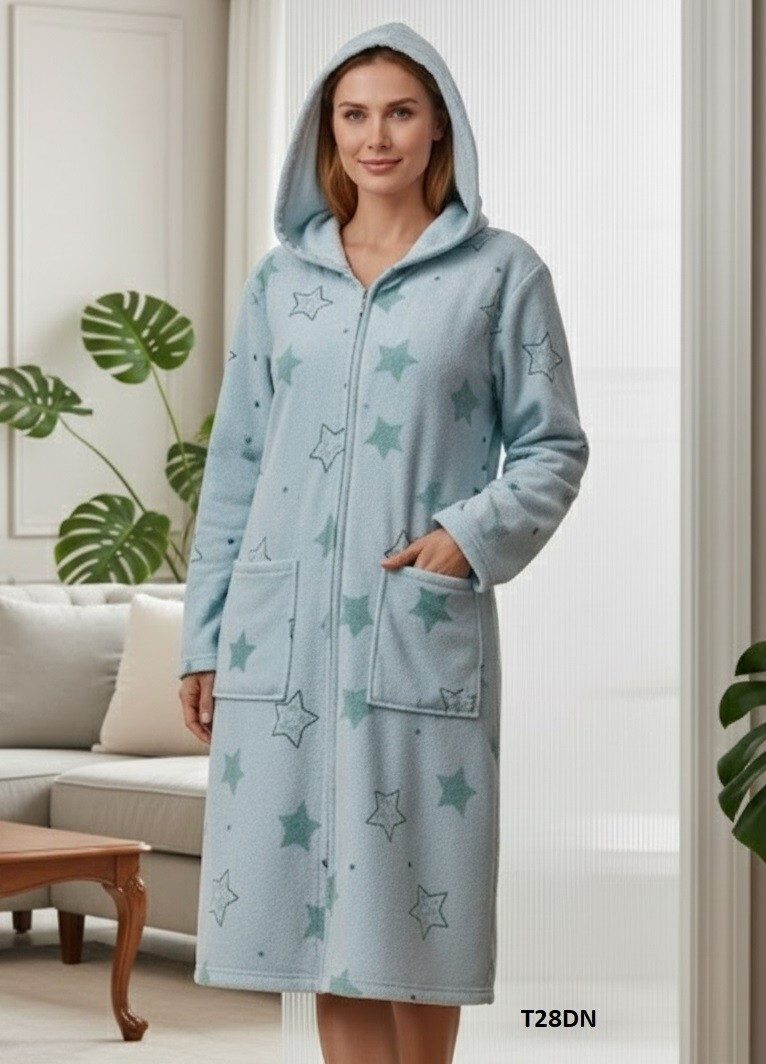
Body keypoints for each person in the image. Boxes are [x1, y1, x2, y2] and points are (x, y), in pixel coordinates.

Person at [178, 20, 589, 1064]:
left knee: (413, 909)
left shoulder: (500, 273)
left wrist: (466, 534)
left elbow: (552, 445)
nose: (376, 137)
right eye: (353, 115)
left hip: (411, 632)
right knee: (321, 929)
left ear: (438, 125)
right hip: (280, 640)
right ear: (327, 131)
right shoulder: (282, 282)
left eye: (399, 112)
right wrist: (205, 637)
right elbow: (236, 464)